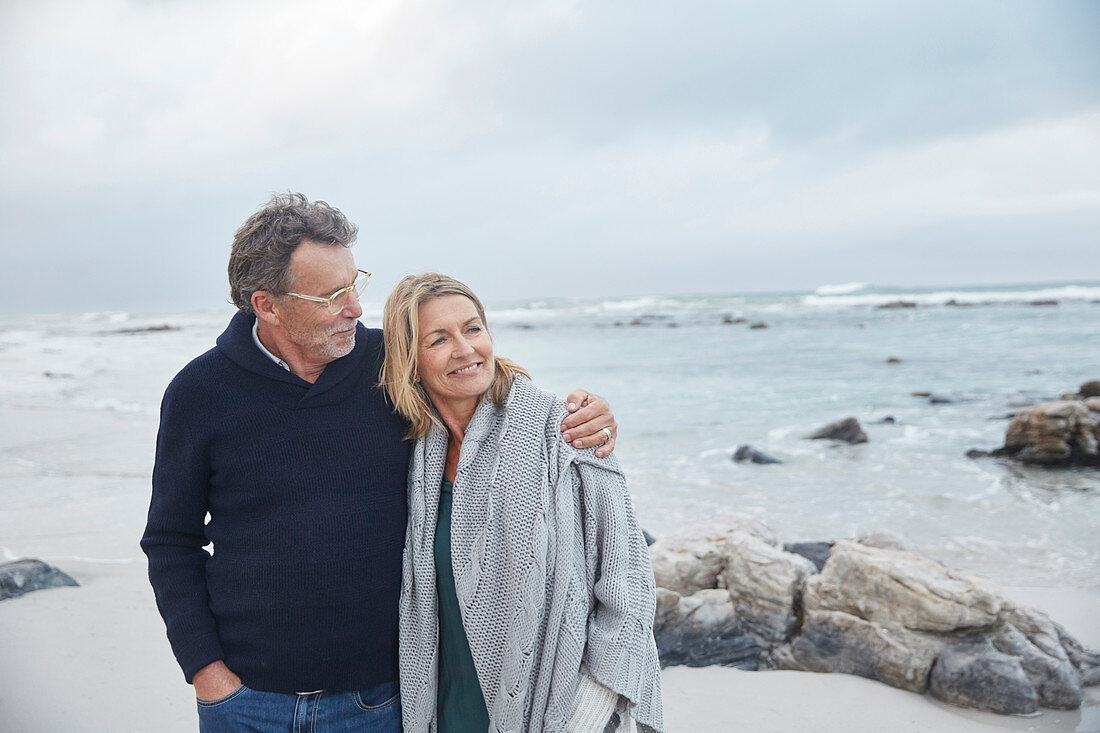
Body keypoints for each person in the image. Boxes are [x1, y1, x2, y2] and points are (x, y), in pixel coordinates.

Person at [141, 193, 619, 732]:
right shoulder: (199, 393)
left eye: (355, 284)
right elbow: (170, 540)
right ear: (267, 305)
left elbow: (479, 378)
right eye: (331, 296)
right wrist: (207, 671)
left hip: (380, 702)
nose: (355, 308)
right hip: (248, 703)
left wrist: (582, 415)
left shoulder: (388, 362)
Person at [380, 273, 664, 733]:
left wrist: (587, 714)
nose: (466, 349)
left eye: (473, 329)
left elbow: (628, 584)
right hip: (448, 705)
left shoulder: (563, 430)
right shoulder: (415, 454)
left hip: (556, 710)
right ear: (411, 361)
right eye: (439, 339)